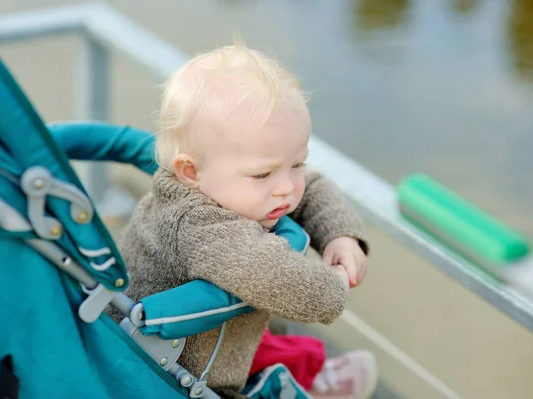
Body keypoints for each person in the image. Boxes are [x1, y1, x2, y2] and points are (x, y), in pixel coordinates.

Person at [117, 39, 376, 398]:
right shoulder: (198, 227)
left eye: (296, 163)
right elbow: (285, 280)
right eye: (263, 175)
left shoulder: (226, 182)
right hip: (175, 372)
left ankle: (309, 370)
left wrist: (339, 235)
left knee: (274, 341)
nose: (287, 187)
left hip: (220, 341)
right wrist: (333, 285)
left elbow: (311, 185)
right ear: (191, 171)